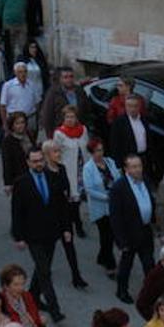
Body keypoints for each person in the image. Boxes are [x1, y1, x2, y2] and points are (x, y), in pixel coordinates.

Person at [10, 145, 71, 323]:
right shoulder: (21, 183)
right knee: (45, 271)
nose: (38, 164)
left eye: (40, 160)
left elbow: (62, 206)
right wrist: (18, 236)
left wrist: (66, 228)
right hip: (32, 235)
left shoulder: (53, 178)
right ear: (28, 162)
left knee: (41, 268)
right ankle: (55, 310)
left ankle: (32, 297)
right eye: (34, 161)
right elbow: (17, 211)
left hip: (51, 233)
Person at [40, 139, 88, 289]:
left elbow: (65, 191)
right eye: (55, 151)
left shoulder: (61, 168)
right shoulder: (44, 174)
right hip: (49, 218)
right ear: (47, 154)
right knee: (47, 251)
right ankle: (43, 276)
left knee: (69, 246)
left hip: (63, 214)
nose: (59, 154)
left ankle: (76, 276)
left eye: (59, 151)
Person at [108, 154, 156, 306]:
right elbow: (115, 218)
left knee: (149, 264)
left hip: (145, 230)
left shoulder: (146, 180)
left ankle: (151, 291)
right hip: (129, 234)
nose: (137, 170)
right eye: (134, 167)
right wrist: (121, 241)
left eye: (139, 166)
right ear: (126, 169)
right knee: (126, 265)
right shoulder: (119, 188)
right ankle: (121, 290)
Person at [82, 139, 120, 276]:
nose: (100, 153)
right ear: (92, 152)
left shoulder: (110, 162)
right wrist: (106, 197)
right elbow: (89, 189)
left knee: (109, 235)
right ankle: (110, 264)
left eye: (101, 150)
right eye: (97, 150)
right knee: (107, 235)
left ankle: (102, 256)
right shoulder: (88, 168)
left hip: (113, 205)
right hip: (100, 207)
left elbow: (117, 177)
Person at [51, 103, 89, 235]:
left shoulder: (83, 130)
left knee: (84, 196)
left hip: (83, 169)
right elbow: (56, 153)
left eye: (72, 117)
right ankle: (77, 225)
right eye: (67, 117)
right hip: (69, 171)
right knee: (74, 200)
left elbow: (87, 149)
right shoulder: (59, 134)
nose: (70, 120)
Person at [0, 61, 40, 137]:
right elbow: (2, 106)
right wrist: (4, 123)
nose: (23, 74)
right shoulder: (8, 86)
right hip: (14, 119)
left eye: (25, 71)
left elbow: (37, 103)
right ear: (15, 73)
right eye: (20, 72)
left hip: (30, 118)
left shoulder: (32, 85)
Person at [1, 110, 33, 191]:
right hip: (19, 177)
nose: (20, 126)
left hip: (32, 173)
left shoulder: (28, 134)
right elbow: (6, 162)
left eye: (22, 122)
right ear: (12, 125)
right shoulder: (8, 141)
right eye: (17, 123)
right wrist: (8, 183)